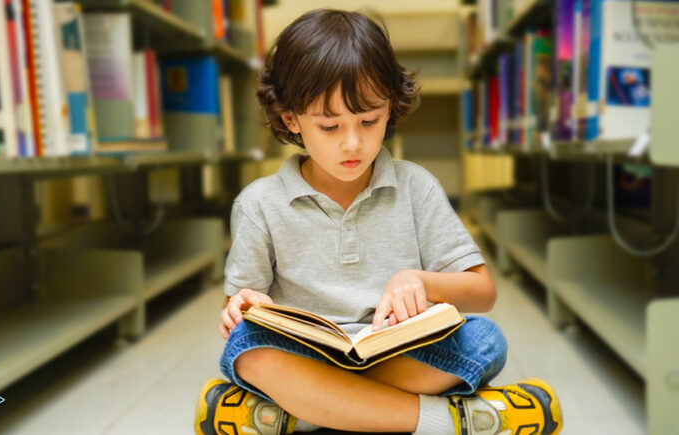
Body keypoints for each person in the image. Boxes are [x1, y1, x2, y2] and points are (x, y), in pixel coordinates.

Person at [195, 9, 562, 435]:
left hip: (397, 355)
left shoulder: (416, 187)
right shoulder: (259, 203)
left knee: (485, 340)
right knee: (246, 349)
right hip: (307, 354)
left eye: (369, 121)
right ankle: (445, 421)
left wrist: (421, 282)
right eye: (330, 126)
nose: (353, 143)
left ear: (390, 107)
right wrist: (240, 307)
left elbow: (482, 292)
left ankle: (303, 413)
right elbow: (240, 306)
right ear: (291, 119)